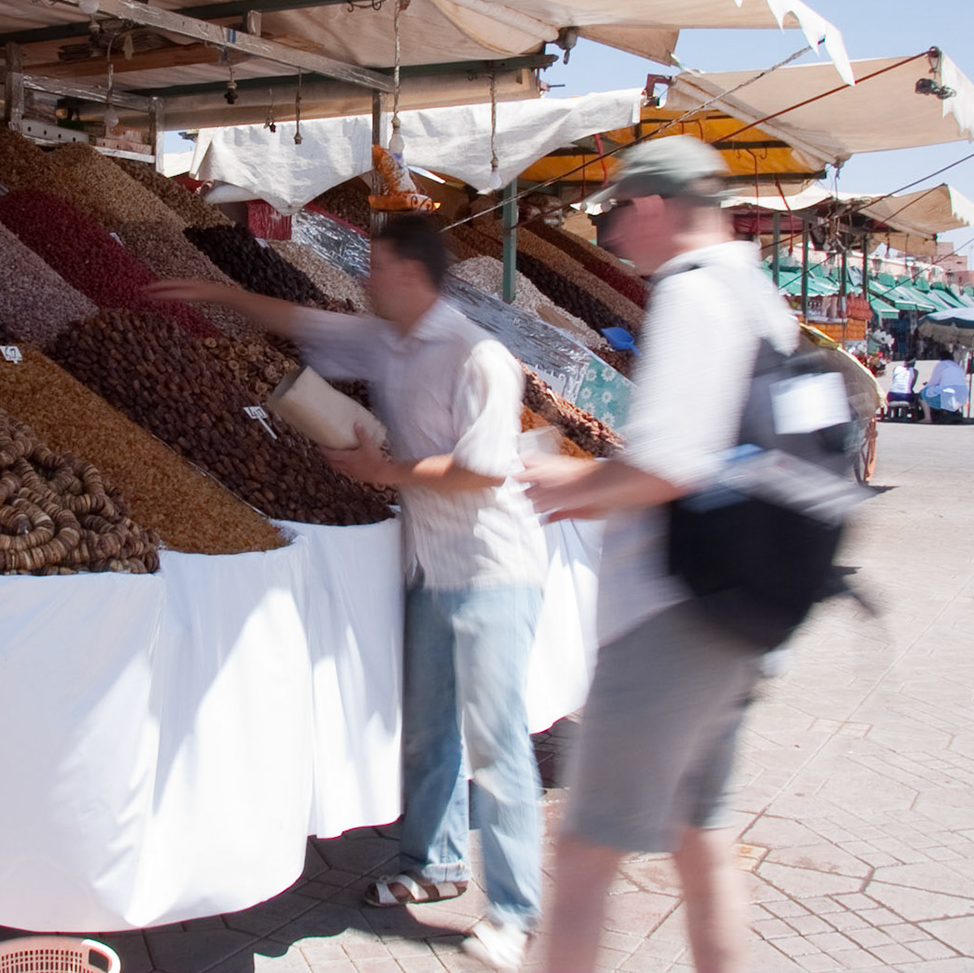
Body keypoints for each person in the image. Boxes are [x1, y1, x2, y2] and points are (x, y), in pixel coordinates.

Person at [149, 215, 547, 970]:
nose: (365, 278)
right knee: (430, 730)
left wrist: (385, 475)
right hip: (430, 565)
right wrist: (219, 292)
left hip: (492, 570)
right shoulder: (387, 337)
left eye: (375, 266)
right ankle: (433, 866)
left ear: (411, 273)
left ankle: (514, 912)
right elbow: (302, 320)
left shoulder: (478, 356)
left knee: (496, 746)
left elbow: (487, 468)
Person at [518, 136, 792, 973]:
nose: (610, 239)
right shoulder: (757, 294)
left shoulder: (693, 295)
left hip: (670, 616)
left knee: (586, 852)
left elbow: (669, 463)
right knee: (699, 836)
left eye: (612, 218)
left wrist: (564, 485)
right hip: (745, 608)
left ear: (649, 208)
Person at [920, 351, 968, 423]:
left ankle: (928, 418)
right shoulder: (957, 366)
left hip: (947, 393)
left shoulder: (941, 365)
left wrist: (927, 385)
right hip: (962, 395)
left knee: (923, 393)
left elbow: (933, 381)